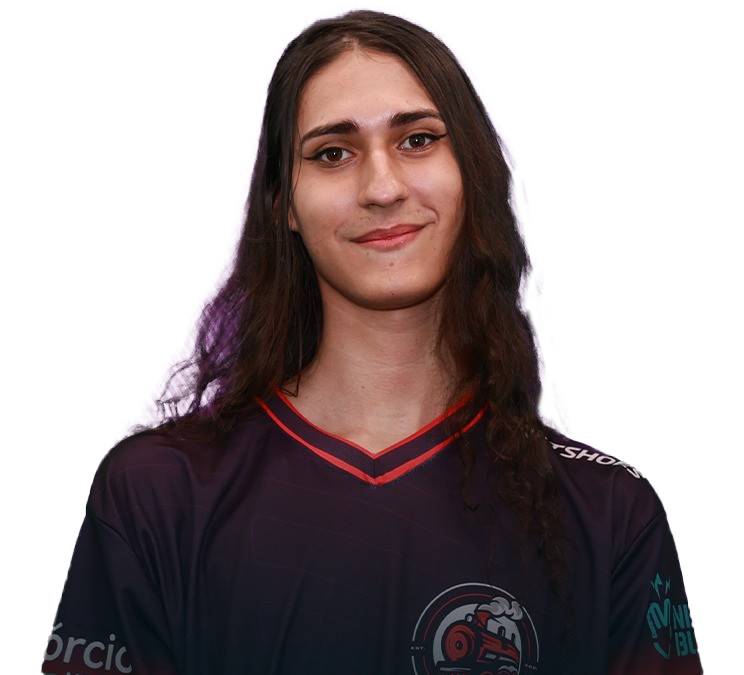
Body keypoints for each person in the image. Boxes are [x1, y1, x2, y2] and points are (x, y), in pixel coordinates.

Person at [41, 10, 702, 675]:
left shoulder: (610, 512)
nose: (382, 189)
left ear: (471, 174)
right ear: (284, 203)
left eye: (417, 140)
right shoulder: (157, 494)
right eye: (333, 153)